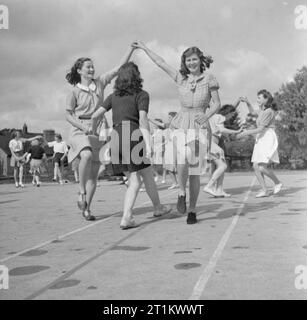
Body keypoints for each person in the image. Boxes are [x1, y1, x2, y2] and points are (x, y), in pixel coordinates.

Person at [133, 42, 221, 224]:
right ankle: (181, 191)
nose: (191, 63)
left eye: (194, 59)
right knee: (182, 156)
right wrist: (143, 47)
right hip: (181, 122)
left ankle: (192, 210)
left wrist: (208, 115)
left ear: (200, 60)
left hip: (199, 123)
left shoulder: (209, 79)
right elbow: (161, 62)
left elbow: (217, 103)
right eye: (188, 60)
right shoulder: (180, 78)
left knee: (195, 171)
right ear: (185, 62)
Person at [92, 62, 171, 229]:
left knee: (146, 172)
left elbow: (95, 115)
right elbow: (143, 120)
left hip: (116, 137)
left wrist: (95, 131)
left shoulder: (113, 97)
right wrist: (148, 144)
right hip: (132, 134)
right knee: (135, 181)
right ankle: (127, 216)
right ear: (137, 77)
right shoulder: (142, 94)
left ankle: (158, 207)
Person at [65, 45, 135, 221]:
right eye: (88, 66)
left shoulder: (100, 82)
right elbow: (67, 115)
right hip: (79, 128)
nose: (92, 69)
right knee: (86, 155)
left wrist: (131, 49)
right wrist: (82, 127)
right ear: (79, 70)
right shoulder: (73, 91)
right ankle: (81, 192)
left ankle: (86, 208)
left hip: (99, 128)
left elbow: (119, 67)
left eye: (92, 66)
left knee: (94, 174)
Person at [236, 90, 283, 197]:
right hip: (262, 138)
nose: (257, 100)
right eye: (257, 98)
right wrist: (247, 103)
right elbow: (253, 113)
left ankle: (277, 182)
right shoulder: (263, 111)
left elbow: (260, 129)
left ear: (266, 99)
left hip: (267, 137)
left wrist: (245, 133)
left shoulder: (268, 111)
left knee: (261, 167)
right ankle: (265, 190)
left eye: (259, 98)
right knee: (256, 166)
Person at [203, 105, 242, 197]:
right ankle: (209, 186)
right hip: (211, 144)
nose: (232, 116)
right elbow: (222, 129)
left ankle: (219, 190)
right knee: (223, 166)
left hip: (209, 143)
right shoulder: (219, 117)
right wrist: (236, 131)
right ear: (228, 112)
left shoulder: (211, 117)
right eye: (232, 114)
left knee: (221, 165)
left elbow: (217, 130)